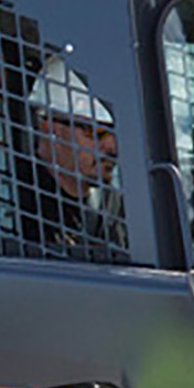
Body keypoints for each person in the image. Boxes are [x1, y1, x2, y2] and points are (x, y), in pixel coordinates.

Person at [26, 57, 128, 257]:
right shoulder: (17, 203)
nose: (113, 147)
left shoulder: (114, 206)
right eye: (95, 131)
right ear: (50, 129)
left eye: (117, 132)